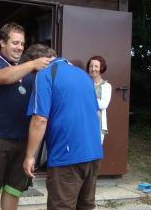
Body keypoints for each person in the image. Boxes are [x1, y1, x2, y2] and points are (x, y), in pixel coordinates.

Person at [0, 23, 52, 210]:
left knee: (13, 190)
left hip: (23, 141)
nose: (19, 47)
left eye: (22, 44)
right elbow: (3, 78)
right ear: (2, 42)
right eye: (15, 43)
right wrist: (33, 63)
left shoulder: (30, 73)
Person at [23, 44, 103, 210]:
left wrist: (30, 156)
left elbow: (39, 119)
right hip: (93, 153)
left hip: (67, 156)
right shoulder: (83, 75)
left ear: (38, 61)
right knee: (86, 206)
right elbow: (97, 114)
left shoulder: (45, 74)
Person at [86, 56, 112, 144]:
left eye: (96, 66)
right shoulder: (83, 83)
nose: (93, 69)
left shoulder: (106, 86)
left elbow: (104, 104)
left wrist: (85, 100)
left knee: (95, 149)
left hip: (98, 123)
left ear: (101, 68)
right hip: (83, 120)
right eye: (91, 66)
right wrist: (95, 100)